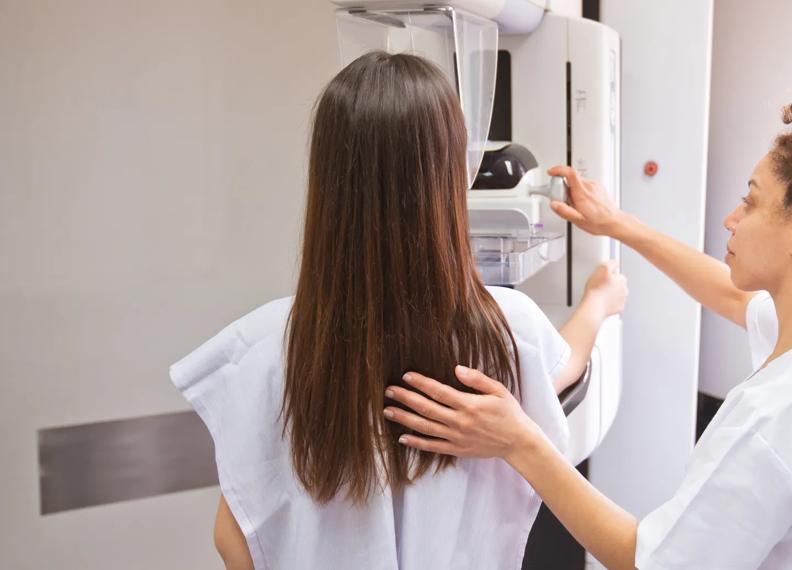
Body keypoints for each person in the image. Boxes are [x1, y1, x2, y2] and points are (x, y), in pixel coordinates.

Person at [383, 52, 792, 569]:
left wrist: (522, 441)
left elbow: (648, 561)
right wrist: (618, 225)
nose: (732, 218)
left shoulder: (780, 416)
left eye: (751, 202)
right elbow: (733, 294)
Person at [169, 51, 628, 570]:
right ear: (447, 177)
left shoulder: (263, 346)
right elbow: (563, 366)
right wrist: (599, 301)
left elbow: (234, 540)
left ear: (327, 181)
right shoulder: (506, 327)